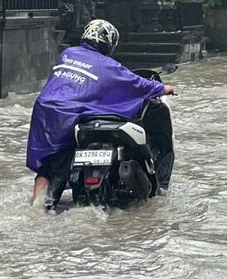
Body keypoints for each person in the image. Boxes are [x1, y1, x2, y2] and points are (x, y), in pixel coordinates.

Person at [26, 19, 175, 206]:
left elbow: (81, 85)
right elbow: (136, 84)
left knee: (50, 165)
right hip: (71, 113)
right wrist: (163, 88)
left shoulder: (68, 54)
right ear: (109, 43)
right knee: (57, 162)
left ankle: (36, 208)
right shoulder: (108, 65)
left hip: (45, 110)